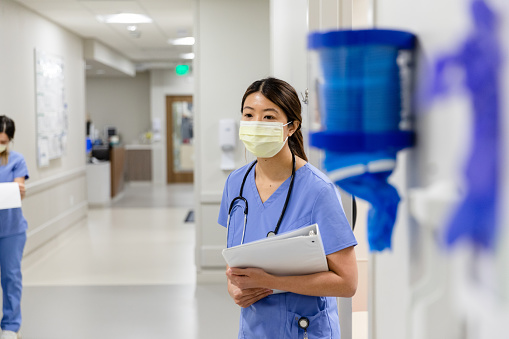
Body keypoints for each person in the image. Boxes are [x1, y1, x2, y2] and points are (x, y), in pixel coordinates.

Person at [218, 77, 358, 338]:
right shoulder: (236, 183)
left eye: (269, 117)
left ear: (291, 126)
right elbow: (235, 262)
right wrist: (234, 288)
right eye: (249, 115)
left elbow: (347, 283)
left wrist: (269, 282)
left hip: (305, 330)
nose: (256, 124)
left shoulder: (318, 190)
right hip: (254, 329)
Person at [0, 115, 28, 339]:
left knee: (11, 277)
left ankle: (10, 326)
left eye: (3, 142)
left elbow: (19, 187)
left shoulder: (16, 160)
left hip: (11, 230)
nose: (0, 145)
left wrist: (17, 190)